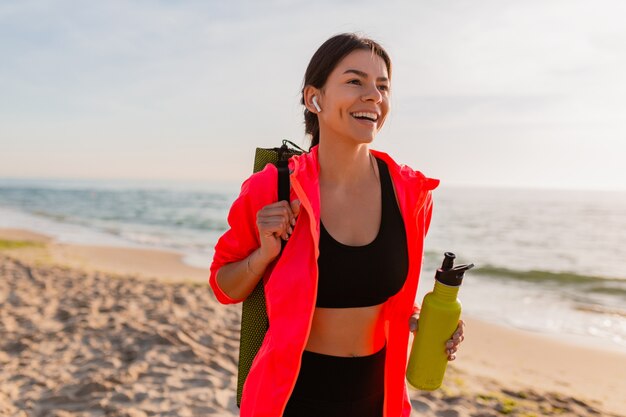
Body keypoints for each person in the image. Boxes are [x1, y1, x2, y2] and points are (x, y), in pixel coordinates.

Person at [209, 32, 465, 417]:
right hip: (290, 398)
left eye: (382, 86)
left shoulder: (410, 194)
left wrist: (422, 322)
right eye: (354, 81)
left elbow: (386, 294)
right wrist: (263, 255)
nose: (374, 96)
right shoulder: (274, 186)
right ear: (315, 98)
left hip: (376, 397)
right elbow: (223, 286)